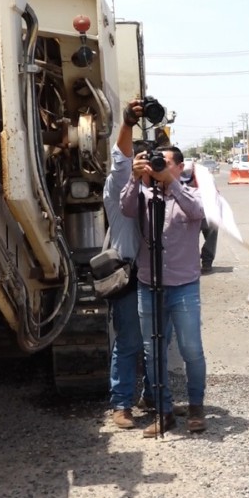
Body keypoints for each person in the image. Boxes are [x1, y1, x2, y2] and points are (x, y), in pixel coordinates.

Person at [120, 144, 208, 436]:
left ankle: (196, 407)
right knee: (153, 351)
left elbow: (197, 213)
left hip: (184, 287)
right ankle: (164, 411)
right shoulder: (144, 196)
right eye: (156, 161)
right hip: (149, 285)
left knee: (191, 350)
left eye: (165, 162)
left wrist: (171, 183)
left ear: (180, 168)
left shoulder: (192, 194)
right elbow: (126, 207)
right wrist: (134, 177)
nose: (159, 166)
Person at [101, 100, 145, 430]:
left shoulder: (156, 189)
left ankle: (154, 397)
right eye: (137, 160)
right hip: (130, 275)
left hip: (158, 277)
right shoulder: (118, 187)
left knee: (159, 340)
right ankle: (122, 403)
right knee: (129, 341)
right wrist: (128, 124)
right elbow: (120, 162)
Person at [180, 160, 219, 274]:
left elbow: (214, 195)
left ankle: (207, 261)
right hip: (190, 213)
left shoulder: (206, 177)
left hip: (208, 210)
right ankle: (192, 262)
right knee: (190, 240)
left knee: (211, 236)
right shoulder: (178, 177)